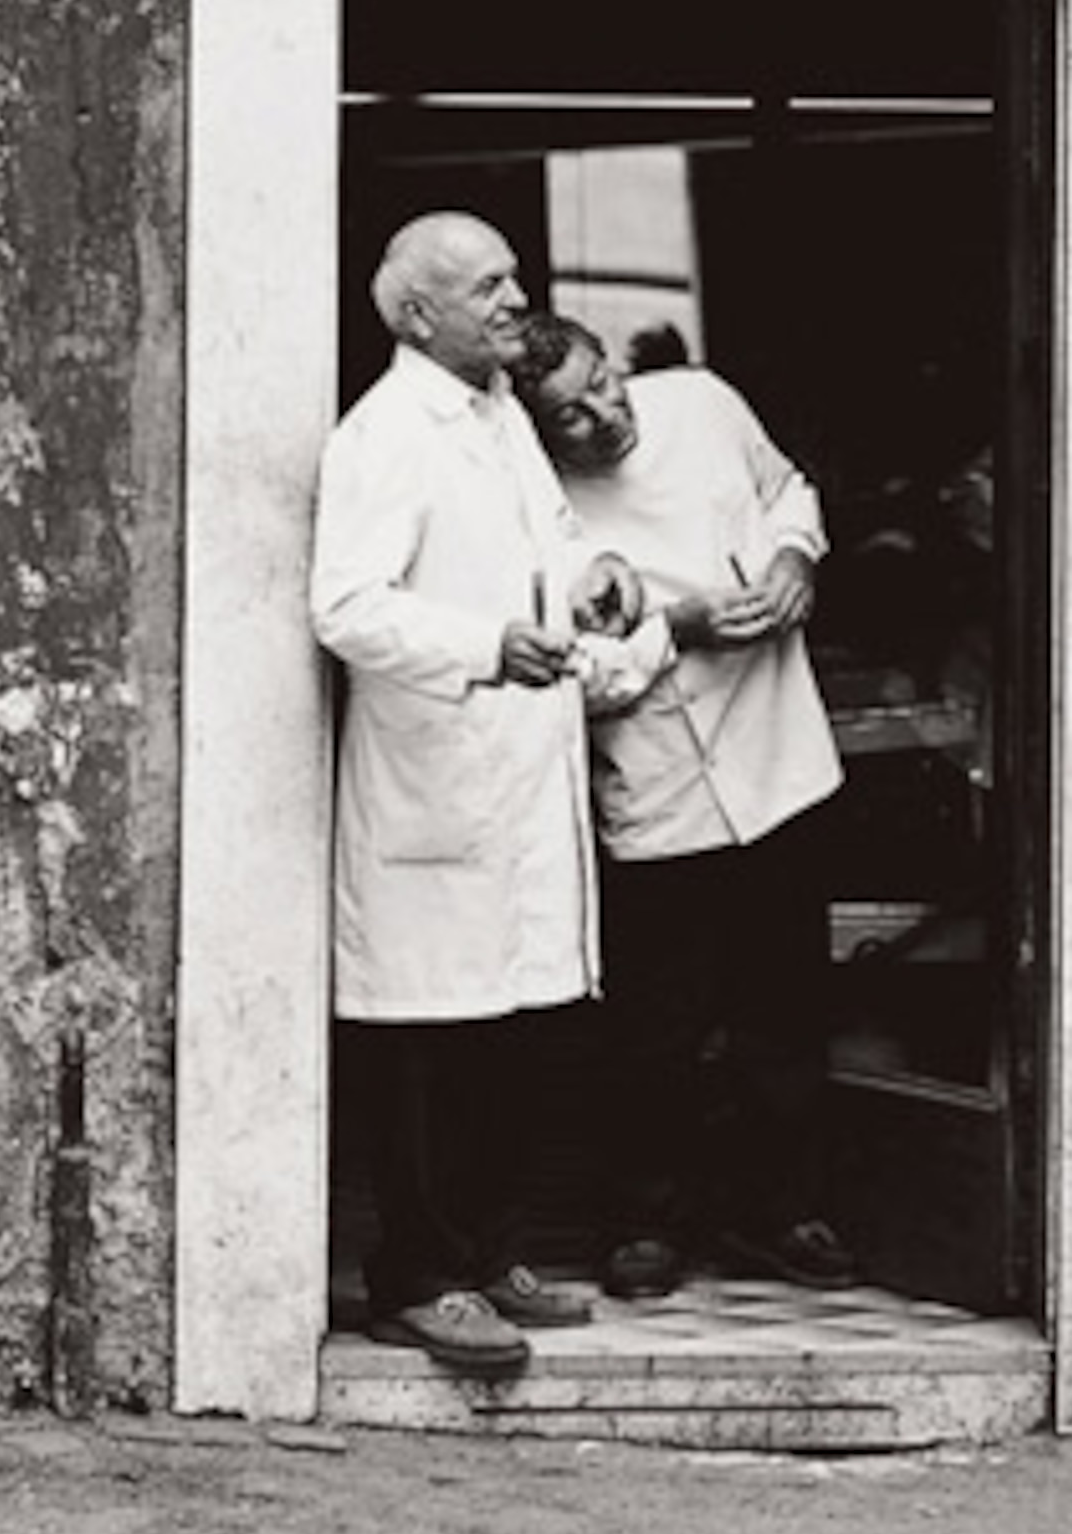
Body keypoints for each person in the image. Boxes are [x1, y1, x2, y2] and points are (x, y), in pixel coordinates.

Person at [310, 213, 637, 1382]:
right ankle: (416, 1278)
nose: (514, 299)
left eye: (513, 277)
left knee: (509, 1037)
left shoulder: (499, 417)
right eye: (487, 285)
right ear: (417, 315)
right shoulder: (385, 435)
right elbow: (346, 606)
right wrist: (485, 646)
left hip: (517, 778)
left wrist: (595, 578)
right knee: (430, 1049)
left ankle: (492, 1254)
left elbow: (554, 544)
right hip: (436, 780)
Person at [513, 310, 861, 1301]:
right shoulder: (533, 506)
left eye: (603, 385)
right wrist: (681, 626)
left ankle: (781, 1211)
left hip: (777, 759)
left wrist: (795, 560)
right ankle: (646, 1222)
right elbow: (567, 679)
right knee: (654, 1028)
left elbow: (788, 491)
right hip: (654, 785)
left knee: (784, 1009)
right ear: (535, 432)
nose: (604, 416)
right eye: (571, 415)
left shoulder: (703, 405)